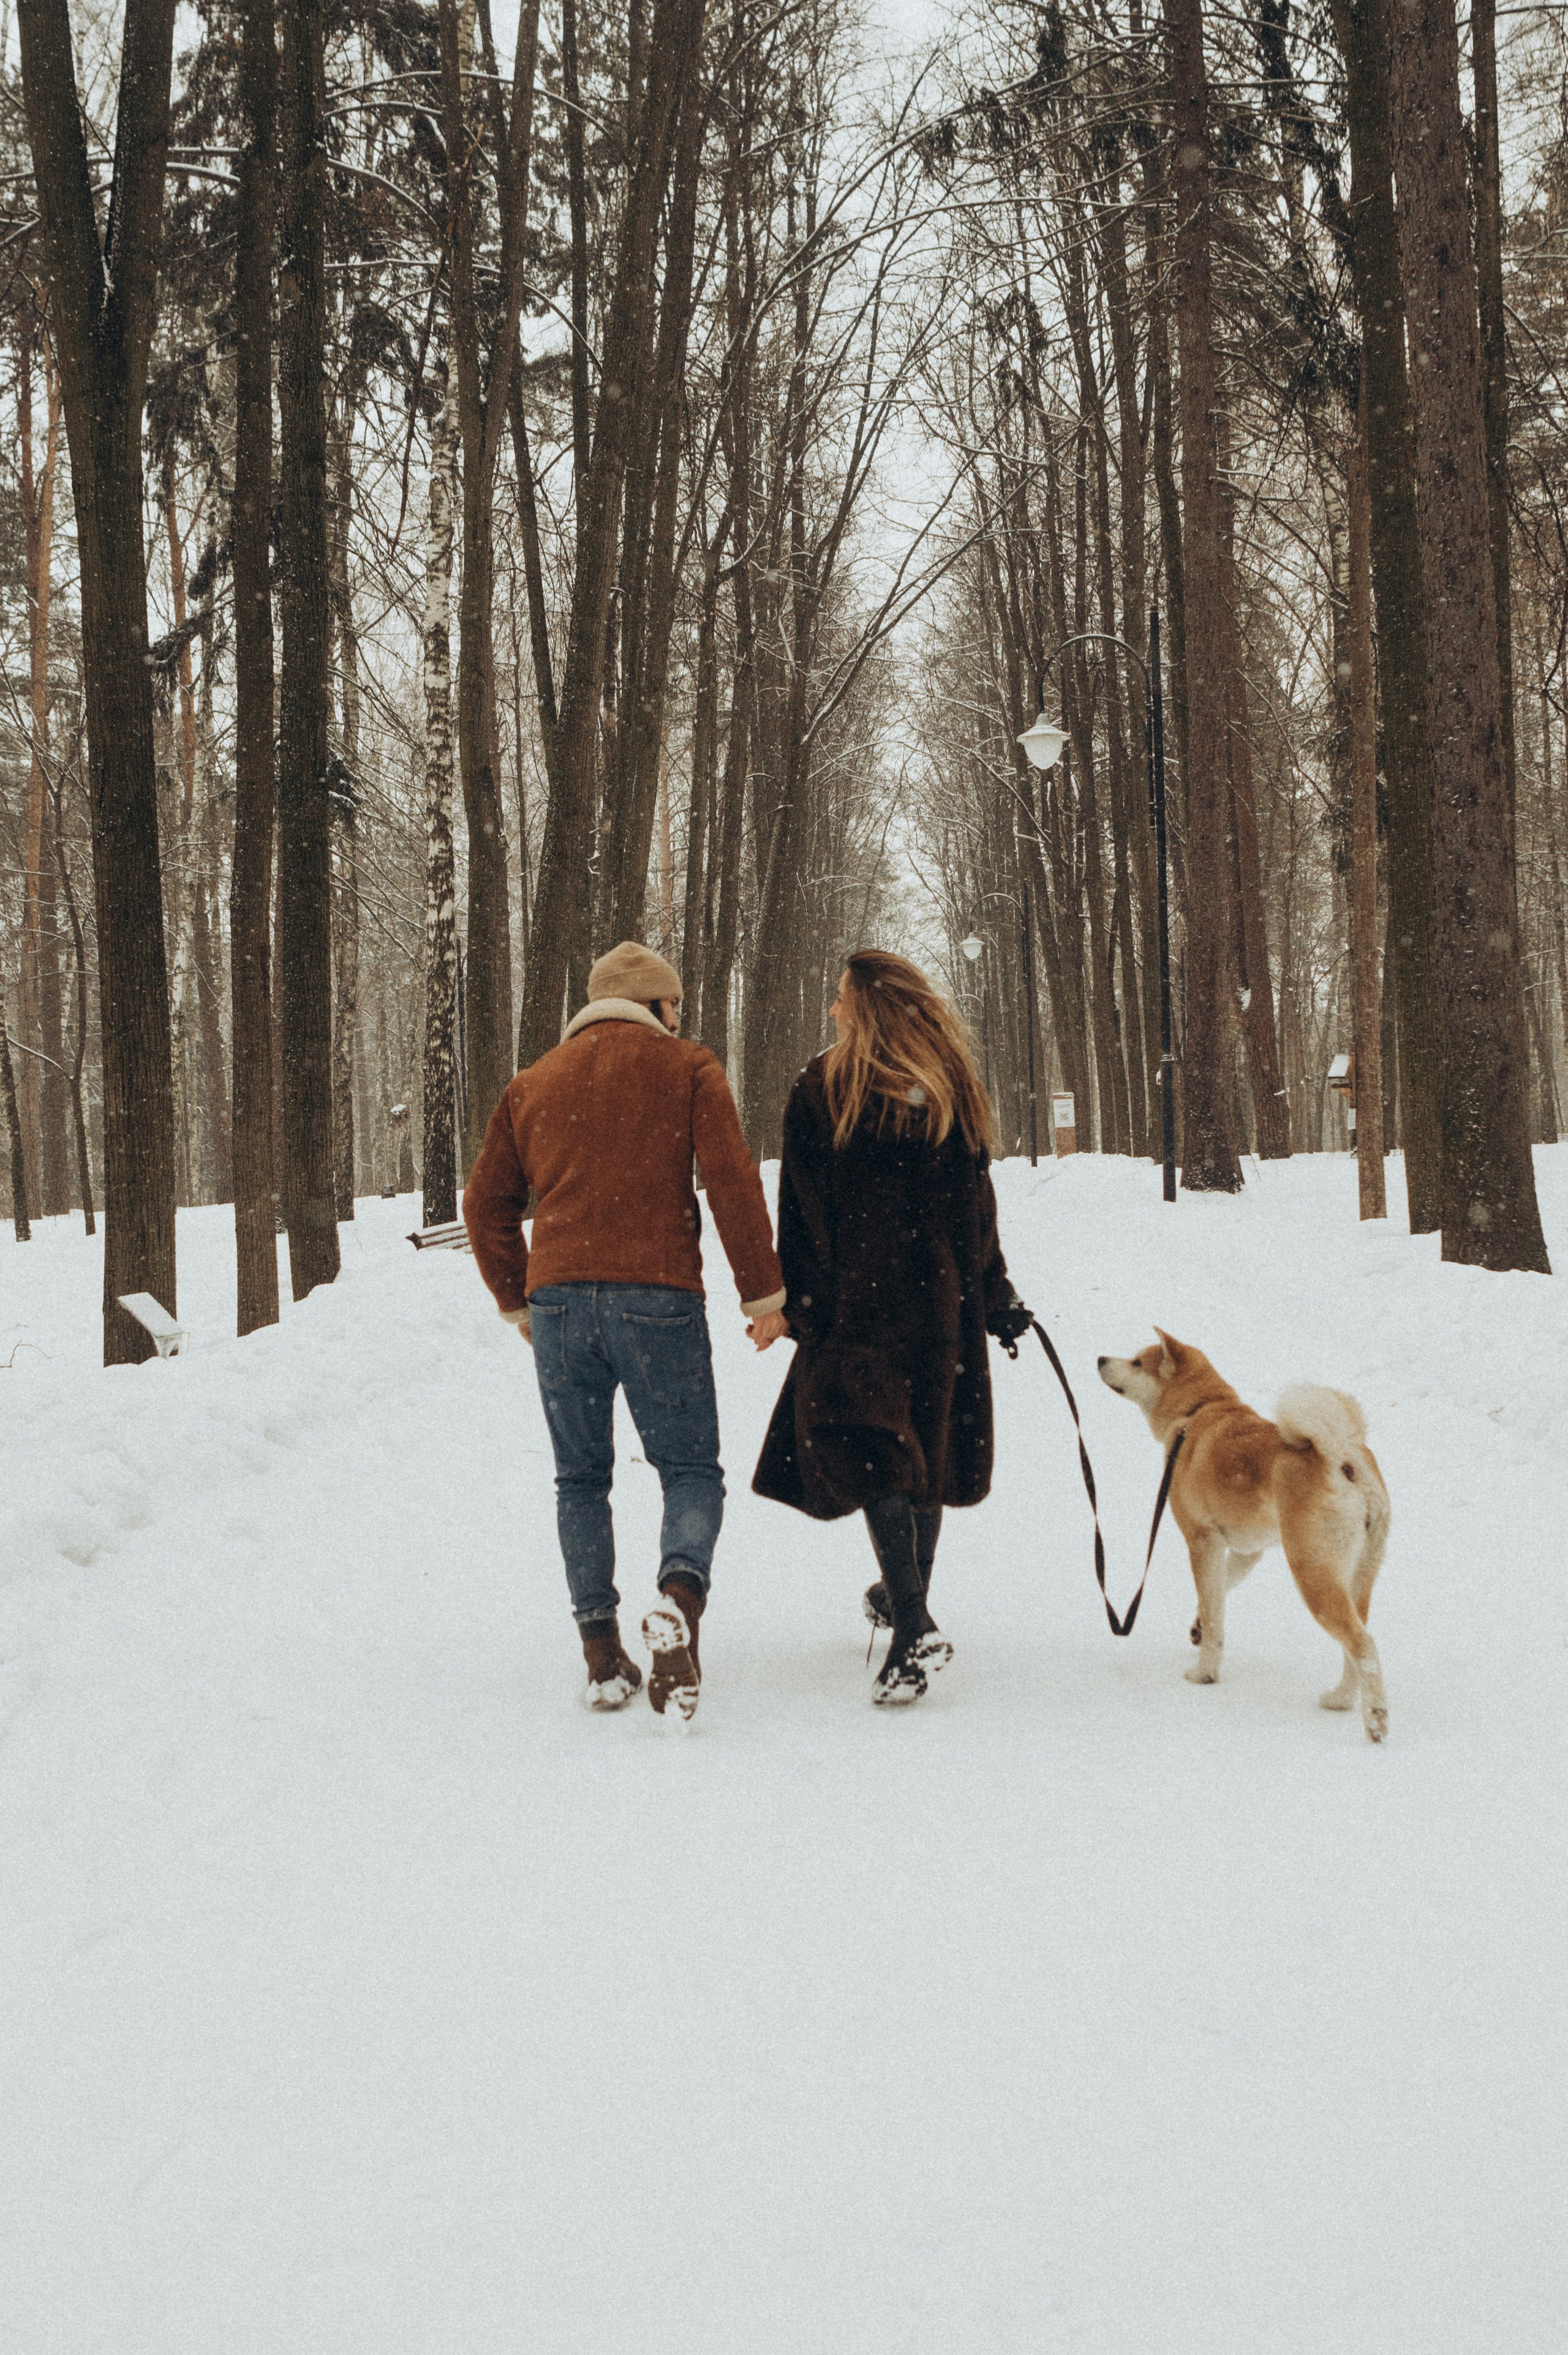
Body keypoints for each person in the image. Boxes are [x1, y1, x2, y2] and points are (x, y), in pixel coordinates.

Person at [464, 940, 788, 1723]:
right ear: (658, 1005)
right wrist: (764, 1296)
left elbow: (485, 1206)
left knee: (581, 1477)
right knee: (688, 1468)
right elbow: (732, 1181)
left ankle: (602, 1652)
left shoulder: (532, 1083)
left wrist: (519, 1301)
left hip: (561, 1303)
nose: (681, 1020)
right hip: (658, 1294)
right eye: (675, 1006)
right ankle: (679, 1597)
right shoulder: (686, 1067)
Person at [753, 949, 1032, 1705]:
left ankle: (911, 1624)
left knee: (876, 1447)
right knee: (925, 1446)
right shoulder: (947, 1086)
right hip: (940, 1304)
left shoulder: (825, 1087)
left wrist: (797, 1302)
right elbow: (977, 1209)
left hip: (859, 1302)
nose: (833, 1010)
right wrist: (993, 1291)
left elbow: (801, 1208)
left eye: (842, 997)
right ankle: (904, 1597)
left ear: (868, 1006)